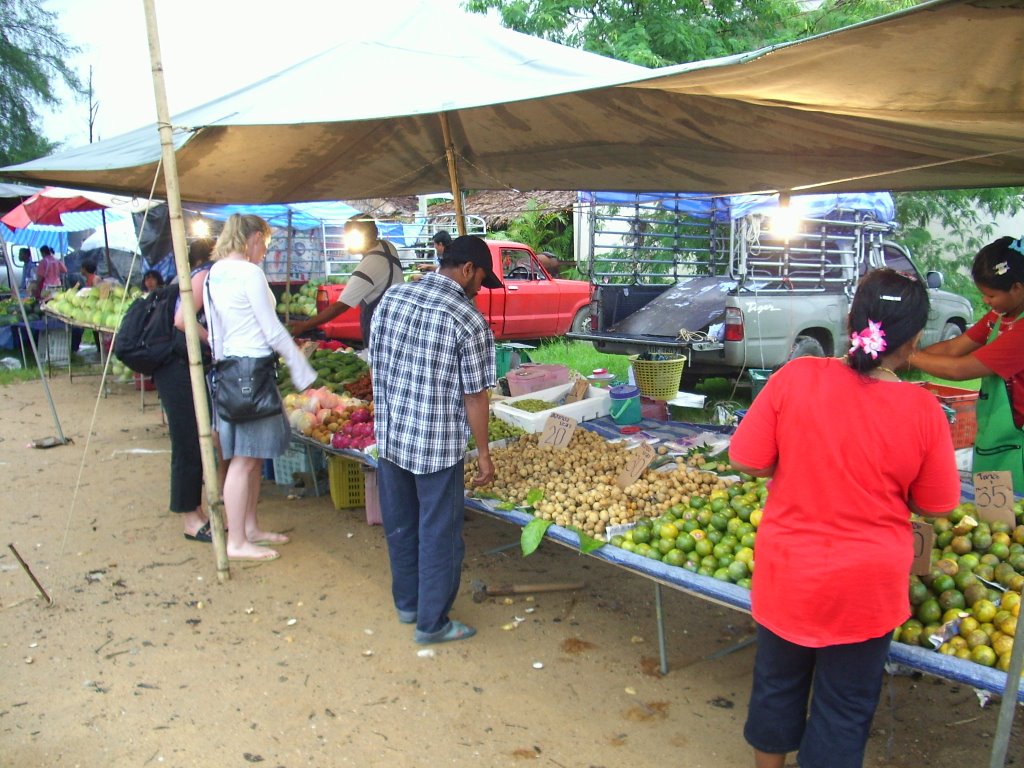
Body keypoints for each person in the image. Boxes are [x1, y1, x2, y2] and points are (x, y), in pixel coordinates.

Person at [728, 268, 960, 768]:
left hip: (789, 572)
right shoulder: (923, 410)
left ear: (850, 318)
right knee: (844, 708)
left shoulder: (797, 376)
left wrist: (790, 457)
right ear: (916, 338)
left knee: (777, 684)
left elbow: (745, 459)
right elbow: (937, 505)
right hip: (867, 588)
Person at [369, 235, 500, 643]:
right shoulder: (468, 320)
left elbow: (376, 363)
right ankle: (433, 623)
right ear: (466, 270)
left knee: (402, 527)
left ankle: (408, 604)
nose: (480, 288)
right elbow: (476, 397)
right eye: (481, 279)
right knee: (438, 535)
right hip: (436, 448)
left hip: (391, 438)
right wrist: (484, 455)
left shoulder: (392, 299)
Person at [204, 215, 316, 562]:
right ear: (253, 238)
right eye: (265, 245)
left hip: (230, 370)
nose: (265, 253)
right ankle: (237, 540)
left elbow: (215, 331)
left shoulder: (214, 274)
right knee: (245, 459)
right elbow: (271, 328)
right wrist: (301, 368)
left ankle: (248, 527)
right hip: (252, 371)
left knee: (247, 458)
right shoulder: (248, 273)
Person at [908, 235, 1024, 493]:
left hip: (1018, 445)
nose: (986, 302)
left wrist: (905, 355)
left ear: (1016, 288)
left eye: (991, 295)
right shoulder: (1001, 315)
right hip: (993, 438)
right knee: (992, 523)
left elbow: (960, 369)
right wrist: (909, 351)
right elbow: (954, 348)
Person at [147, 238, 220, 544]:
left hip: (181, 365)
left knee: (195, 438)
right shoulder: (204, 276)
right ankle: (190, 518)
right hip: (177, 366)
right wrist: (215, 342)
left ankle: (197, 511)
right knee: (188, 441)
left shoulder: (190, 276)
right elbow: (181, 321)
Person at [288, 213, 404, 341]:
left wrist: (305, 325)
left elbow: (340, 306)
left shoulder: (367, 267)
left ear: (371, 234)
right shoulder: (387, 246)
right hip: (398, 325)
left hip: (381, 335)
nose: (347, 242)